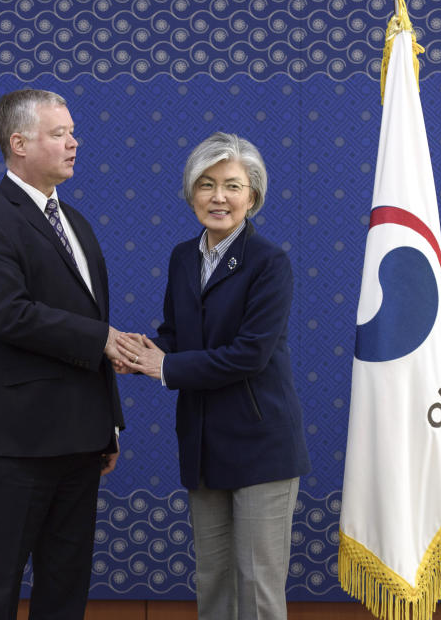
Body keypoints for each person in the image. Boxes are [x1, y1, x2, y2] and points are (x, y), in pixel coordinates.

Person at [116, 132, 311, 620]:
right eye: (206, 184)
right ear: (190, 192)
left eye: (232, 185)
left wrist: (167, 365)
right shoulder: (184, 257)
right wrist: (140, 353)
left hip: (260, 447)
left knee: (258, 591)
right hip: (203, 445)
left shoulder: (270, 263)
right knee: (213, 587)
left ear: (253, 196)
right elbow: (177, 337)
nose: (218, 197)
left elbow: (249, 355)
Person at [0, 89, 129, 620]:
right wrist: (101, 339)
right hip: (14, 444)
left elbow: (92, 324)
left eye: (72, 132)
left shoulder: (77, 223)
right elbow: (8, 314)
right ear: (19, 143)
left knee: (65, 591)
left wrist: (110, 423)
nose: (74, 143)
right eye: (59, 134)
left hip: (80, 442)